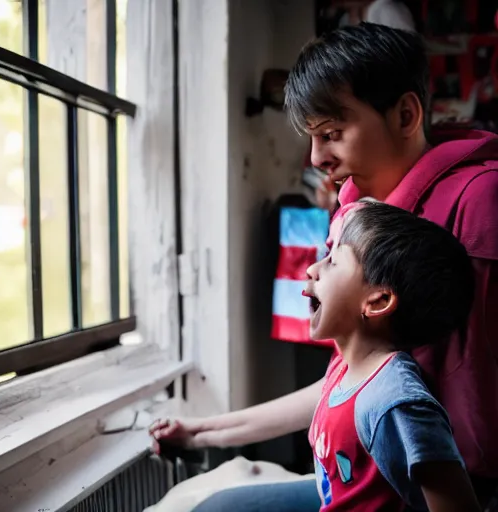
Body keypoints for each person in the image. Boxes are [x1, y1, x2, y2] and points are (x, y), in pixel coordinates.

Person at [151, 23, 498, 510]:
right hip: (362, 474)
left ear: (405, 114)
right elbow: (348, 380)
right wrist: (205, 432)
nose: (316, 157)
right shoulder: (352, 205)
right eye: (312, 137)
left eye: (332, 134)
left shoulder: (481, 199)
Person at [304, 200, 478, 511]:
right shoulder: (345, 368)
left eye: (333, 262)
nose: (313, 269)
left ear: (379, 300)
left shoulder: (396, 401)